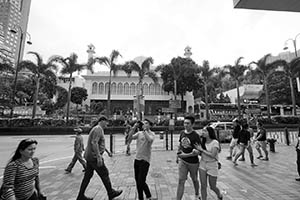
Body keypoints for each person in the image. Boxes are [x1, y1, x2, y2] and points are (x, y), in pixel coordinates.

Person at [76, 116, 122, 200]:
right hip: (94, 157)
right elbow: (94, 143)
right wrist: (98, 157)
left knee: (87, 176)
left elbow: (99, 143)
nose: (107, 124)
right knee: (104, 173)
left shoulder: (97, 129)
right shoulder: (98, 129)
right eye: (106, 122)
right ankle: (111, 193)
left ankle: (80, 196)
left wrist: (107, 152)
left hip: (90, 157)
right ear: (102, 121)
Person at [127, 119, 155, 200]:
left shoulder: (152, 134)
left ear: (149, 125)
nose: (144, 124)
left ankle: (143, 197)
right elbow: (129, 138)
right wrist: (133, 128)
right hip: (137, 159)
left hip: (145, 160)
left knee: (141, 181)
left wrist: (145, 130)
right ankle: (147, 196)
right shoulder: (139, 133)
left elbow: (149, 140)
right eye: (144, 123)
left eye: (146, 123)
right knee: (138, 181)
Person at [176, 116, 201, 200]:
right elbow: (180, 144)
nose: (185, 125)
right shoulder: (182, 132)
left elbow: (199, 151)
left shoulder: (195, 136)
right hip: (182, 161)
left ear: (192, 124)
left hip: (193, 162)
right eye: (184, 123)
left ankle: (197, 194)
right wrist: (178, 156)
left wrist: (191, 153)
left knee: (194, 179)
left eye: (188, 123)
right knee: (181, 180)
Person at [194, 126, 223, 200]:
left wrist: (202, 150)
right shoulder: (202, 142)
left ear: (210, 132)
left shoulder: (215, 142)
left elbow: (213, 155)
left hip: (212, 165)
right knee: (203, 185)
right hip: (203, 164)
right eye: (203, 131)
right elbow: (201, 153)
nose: (203, 133)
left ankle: (219, 194)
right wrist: (197, 152)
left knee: (212, 186)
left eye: (205, 131)